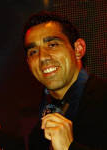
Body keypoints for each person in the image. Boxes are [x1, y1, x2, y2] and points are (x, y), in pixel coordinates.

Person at [22, 11, 107, 150]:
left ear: (78, 49)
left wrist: (69, 147)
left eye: (52, 45)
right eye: (33, 52)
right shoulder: (37, 135)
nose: (42, 57)